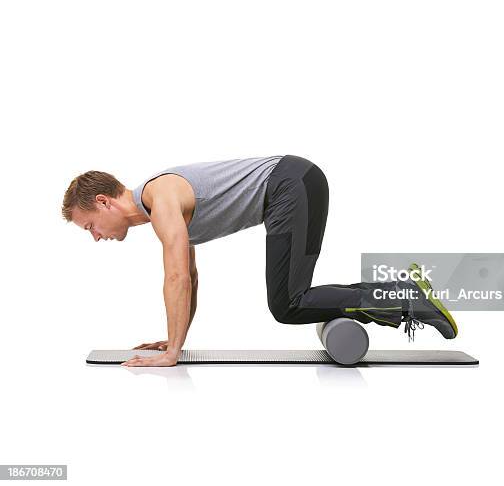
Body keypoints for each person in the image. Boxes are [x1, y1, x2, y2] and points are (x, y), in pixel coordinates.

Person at [62, 155, 457, 367]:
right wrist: (175, 340)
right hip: (296, 183)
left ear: (103, 201)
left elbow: (177, 277)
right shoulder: (161, 209)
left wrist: (171, 355)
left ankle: (403, 297)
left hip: (290, 184)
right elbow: (192, 279)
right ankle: (401, 296)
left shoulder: (160, 196)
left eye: (90, 226)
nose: (96, 236)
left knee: (287, 304)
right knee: (290, 301)